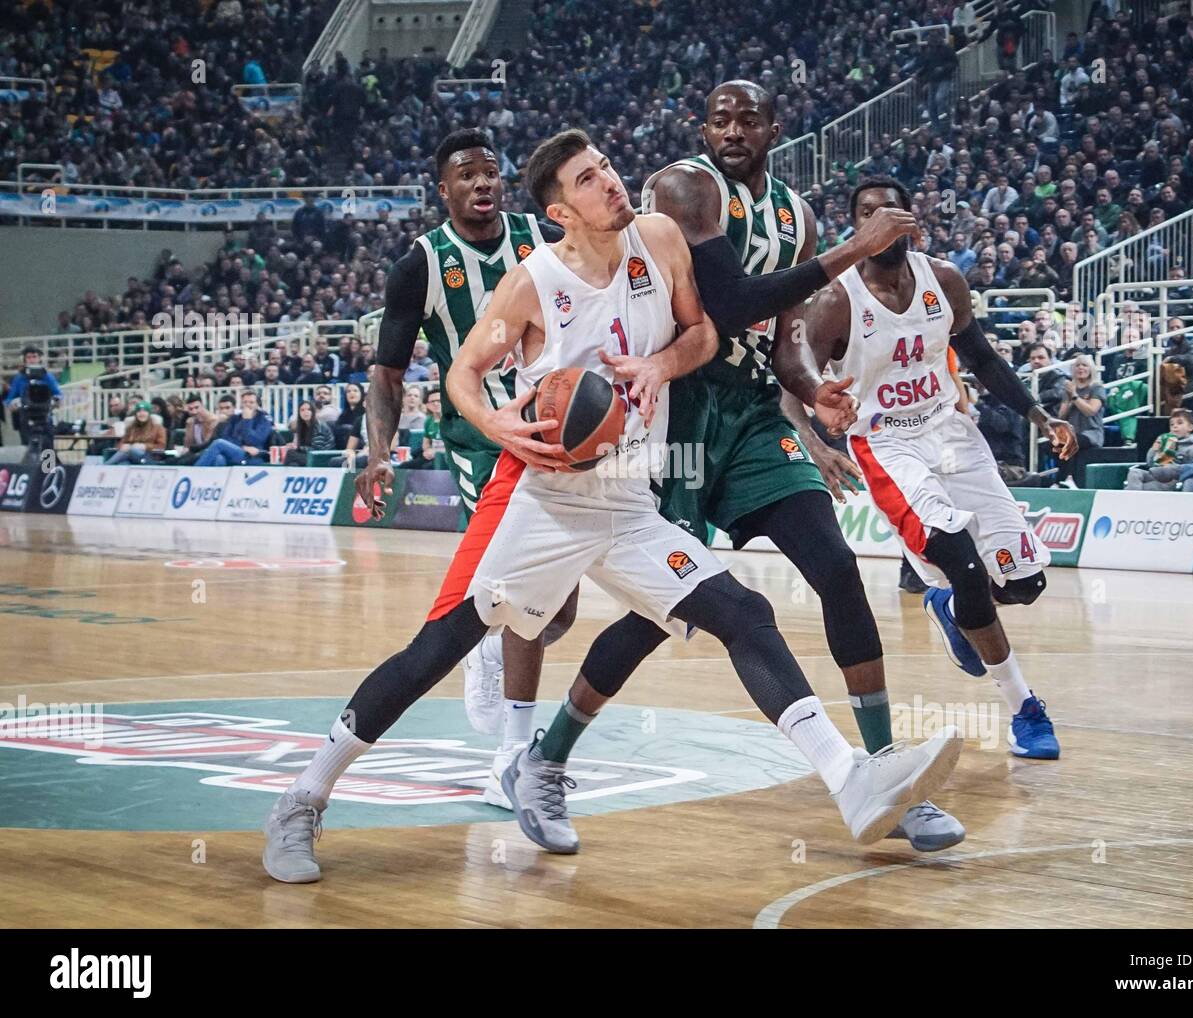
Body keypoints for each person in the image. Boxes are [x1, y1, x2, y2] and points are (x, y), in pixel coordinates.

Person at [261, 130, 960, 882]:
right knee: (439, 648)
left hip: (628, 499)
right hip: (542, 500)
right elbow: (466, 371)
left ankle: (852, 782)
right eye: (591, 181)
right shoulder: (534, 282)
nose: (614, 184)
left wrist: (661, 363)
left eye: (609, 169)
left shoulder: (658, 238)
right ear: (562, 210)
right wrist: (492, 420)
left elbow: (701, 332)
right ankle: (302, 800)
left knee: (743, 613)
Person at [551, 81, 972, 851]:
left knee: (838, 566)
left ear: (776, 127)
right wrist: (856, 249)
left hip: (747, 414)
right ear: (701, 128)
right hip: (675, 410)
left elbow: (783, 340)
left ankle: (885, 773)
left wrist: (817, 397)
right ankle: (548, 759)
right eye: (720, 119)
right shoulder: (684, 187)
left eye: (749, 119)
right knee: (658, 614)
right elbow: (735, 303)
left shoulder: (796, 214)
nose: (733, 130)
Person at [778, 176, 1078, 761]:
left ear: (911, 219)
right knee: (962, 564)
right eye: (866, 213)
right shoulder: (838, 300)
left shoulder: (945, 280)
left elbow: (984, 358)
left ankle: (950, 609)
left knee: (1025, 583)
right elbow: (793, 380)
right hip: (887, 443)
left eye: (890, 209)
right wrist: (813, 443)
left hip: (951, 433)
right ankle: (1024, 709)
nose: (879, 219)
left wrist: (1040, 414)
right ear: (855, 227)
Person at [353, 129, 578, 801]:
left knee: (557, 608)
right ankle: (512, 757)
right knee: (526, 589)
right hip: (482, 442)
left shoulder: (540, 238)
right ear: (442, 190)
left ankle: (485, 645)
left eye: (490, 172)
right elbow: (388, 373)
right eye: (466, 175)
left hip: (555, 426)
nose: (482, 182)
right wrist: (379, 452)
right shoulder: (419, 264)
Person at [1053, 355, 1107, 487]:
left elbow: (1091, 410)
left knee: (1071, 441)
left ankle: (1069, 478)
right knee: (1057, 442)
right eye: (1078, 365)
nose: (1081, 368)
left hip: (1092, 433)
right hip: (1073, 431)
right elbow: (1061, 416)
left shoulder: (1096, 388)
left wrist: (1075, 397)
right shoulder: (1070, 389)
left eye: (1084, 365)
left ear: (1091, 369)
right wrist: (1069, 398)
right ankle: (1060, 480)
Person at [1125, 408, 1193, 490]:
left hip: (1173, 480)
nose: (1175, 426)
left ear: (1190, 427)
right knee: (1134, 473)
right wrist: (1154, 449)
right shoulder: (1165, 441)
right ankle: (1133, 497)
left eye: (1180, 423)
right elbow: (1150, 463)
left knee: (1143, 488)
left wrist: (1174, 467)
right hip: (1155, 473)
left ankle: (1133, 497)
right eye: (1172, 424)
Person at [196, 390, 273, 466]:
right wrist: (241, 446)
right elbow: (226, 437)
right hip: (237, 452)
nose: (247, 405)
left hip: (252, 456)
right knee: (219, 459)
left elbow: (254, 441)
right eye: (245, 402)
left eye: (251, 402)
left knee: (219, 443)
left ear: (257, 404)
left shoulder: (264, 420)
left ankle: (195, 472)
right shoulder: (235, 418)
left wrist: (247, 421)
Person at [5, 345, 63, 446]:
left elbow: (58, 394)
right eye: (29, 357)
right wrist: (13, 404)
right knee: (28, 449)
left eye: (34, 356)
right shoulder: (19, 378)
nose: (32, 360)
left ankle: (48, 462)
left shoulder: (47, 376)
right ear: (24, 359)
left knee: (47, 448)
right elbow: (9, 399)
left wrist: (56, 400)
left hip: (45, 417)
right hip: (26, 418)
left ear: (39, 358)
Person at [284, 400, 334, 466]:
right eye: (302, 410)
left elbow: (317, 449)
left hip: (322, 457)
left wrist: (297, 447)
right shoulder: (302, 427)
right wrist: (294, 446)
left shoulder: (319, 426)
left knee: (290, 453)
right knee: (293, 464)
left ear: (313, 412)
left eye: (309, 409)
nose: (306, 412)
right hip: (309, 456)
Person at [175, 393, 219, 464]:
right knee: (172, 461)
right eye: (190, 409)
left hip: (207, 451)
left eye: (196, 407)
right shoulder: (191, 421)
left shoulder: (213, 420)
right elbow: (187, 445)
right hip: (194, 452)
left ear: (202, 406)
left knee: (183, 462)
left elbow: (207, 443)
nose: (194, 411)